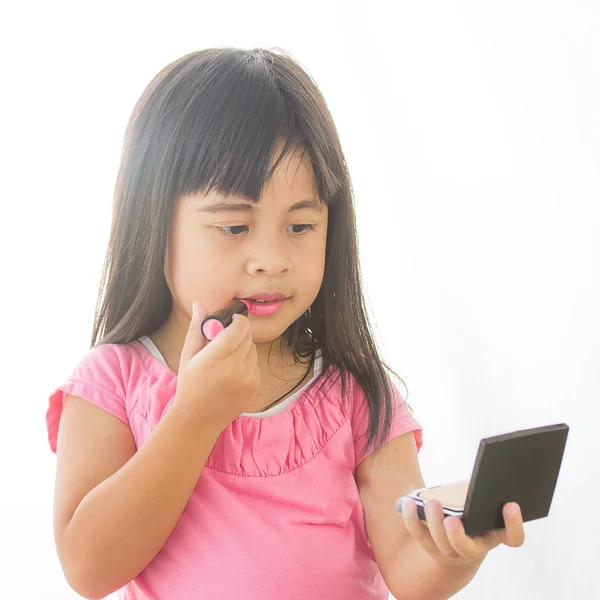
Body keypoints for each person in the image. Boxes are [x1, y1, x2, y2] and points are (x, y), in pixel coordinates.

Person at [46, 47, 525, 600]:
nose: (271, 258)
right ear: (154, 225)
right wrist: (194, 419)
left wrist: (453, 548)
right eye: (233, 227)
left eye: (300, 226)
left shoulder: (354, 394)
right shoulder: (113, 382)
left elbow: (411, 570)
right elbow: (88, 568)